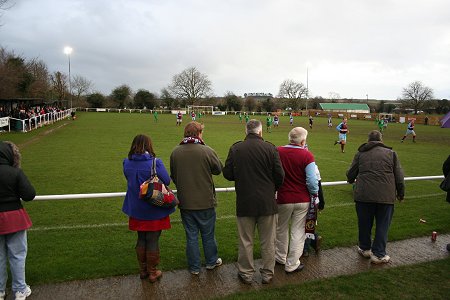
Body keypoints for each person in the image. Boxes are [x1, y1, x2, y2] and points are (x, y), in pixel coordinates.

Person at [223, 119, 285, 285]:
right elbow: (280, 176)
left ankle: (246, 273)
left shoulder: (236, 148)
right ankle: (267, 273)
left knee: (245, 241)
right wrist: (271, 189)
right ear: (260, 131)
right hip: (266, 202)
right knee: (268, 241)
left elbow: (227, 173)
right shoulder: (270, 148)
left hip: (245, 201)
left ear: (246, 131)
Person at [170, 122, 223, 275]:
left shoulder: (175, 152)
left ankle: (194, 267)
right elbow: (218, 169)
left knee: (191, 236)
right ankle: (211, 262)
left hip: (186, 202)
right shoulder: (206, 150)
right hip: (205, 201)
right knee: (208, 235)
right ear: (199, 133)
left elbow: (173, 176)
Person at [122, 134, 175, 283]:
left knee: (141, 238)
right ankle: (152, 272)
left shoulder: (126, 162)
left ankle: (143, 270)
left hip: (136, 208)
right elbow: (166, 180)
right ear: (149, 145)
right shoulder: (155, 163)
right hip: (154, 207)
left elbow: (129, 178)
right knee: (152, 239)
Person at [346, 130, 405, 264]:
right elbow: (399, 177)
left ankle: (365, 248)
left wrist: (351, 178)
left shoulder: (360, 154)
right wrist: (401, 193)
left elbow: (350, 174)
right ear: (381, 140)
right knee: (382, 225)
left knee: (364, 223)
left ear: (368, 140)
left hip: (364, 196)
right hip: (385, 196)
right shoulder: (391, 154)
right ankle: (378, 254)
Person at [275, 127, 318, 273]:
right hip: (302, 199)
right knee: (298, 231)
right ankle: (292, 263)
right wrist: (314, 193)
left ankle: (280, 257)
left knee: (281, 228)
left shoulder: (278, 151)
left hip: (283, 198)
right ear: (303, 141)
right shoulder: (307, 155)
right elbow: (312, 181)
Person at [0, 141, 36, 300]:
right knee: (18, 255)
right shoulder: (15, 172)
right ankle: (20, 289)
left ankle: (0, 290)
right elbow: (29, 194)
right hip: (14, 217)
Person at [303, 164, 325, 257]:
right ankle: (314, 239)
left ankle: (305, 249)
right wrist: (321, 201)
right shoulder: (313, 165)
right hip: (312, 199)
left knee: (303, 224)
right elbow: (318, 184)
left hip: (303, 198)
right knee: (307, 223)